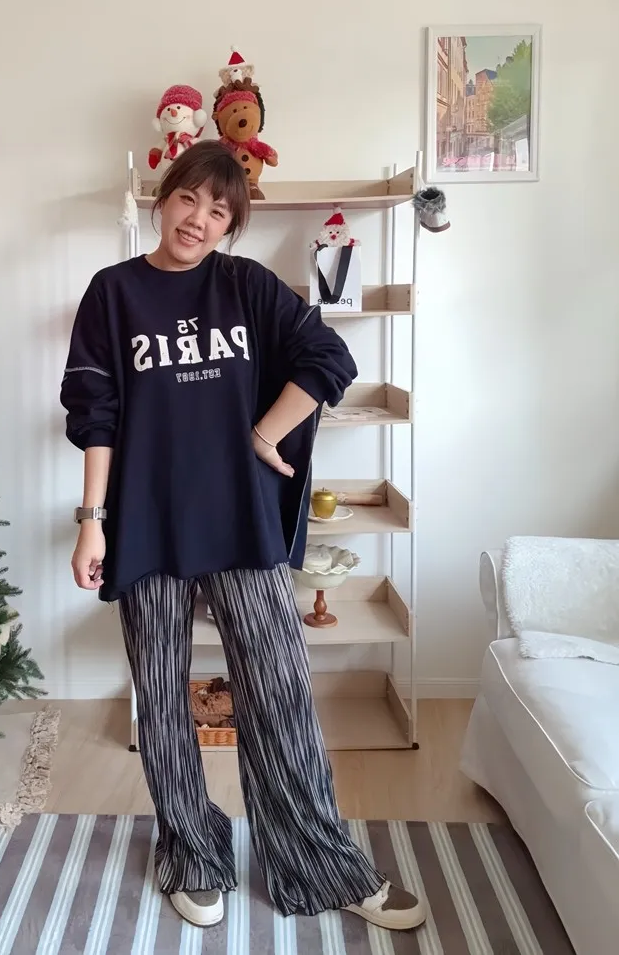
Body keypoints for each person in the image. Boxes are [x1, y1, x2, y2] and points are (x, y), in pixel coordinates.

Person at [60, 140, 427, 931]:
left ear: (231, 225)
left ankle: (321, 864)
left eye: (219, 211)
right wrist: (91, 521)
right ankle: (192, 854)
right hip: (146, 522)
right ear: (165, 198)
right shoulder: (112, 293)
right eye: (189, 199)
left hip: (239, 520)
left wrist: (264, 434)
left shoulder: (245, 286)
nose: (199, 219)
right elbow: (95, 416)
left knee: (279, 693)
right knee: (162, 701)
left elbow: (327, 357)